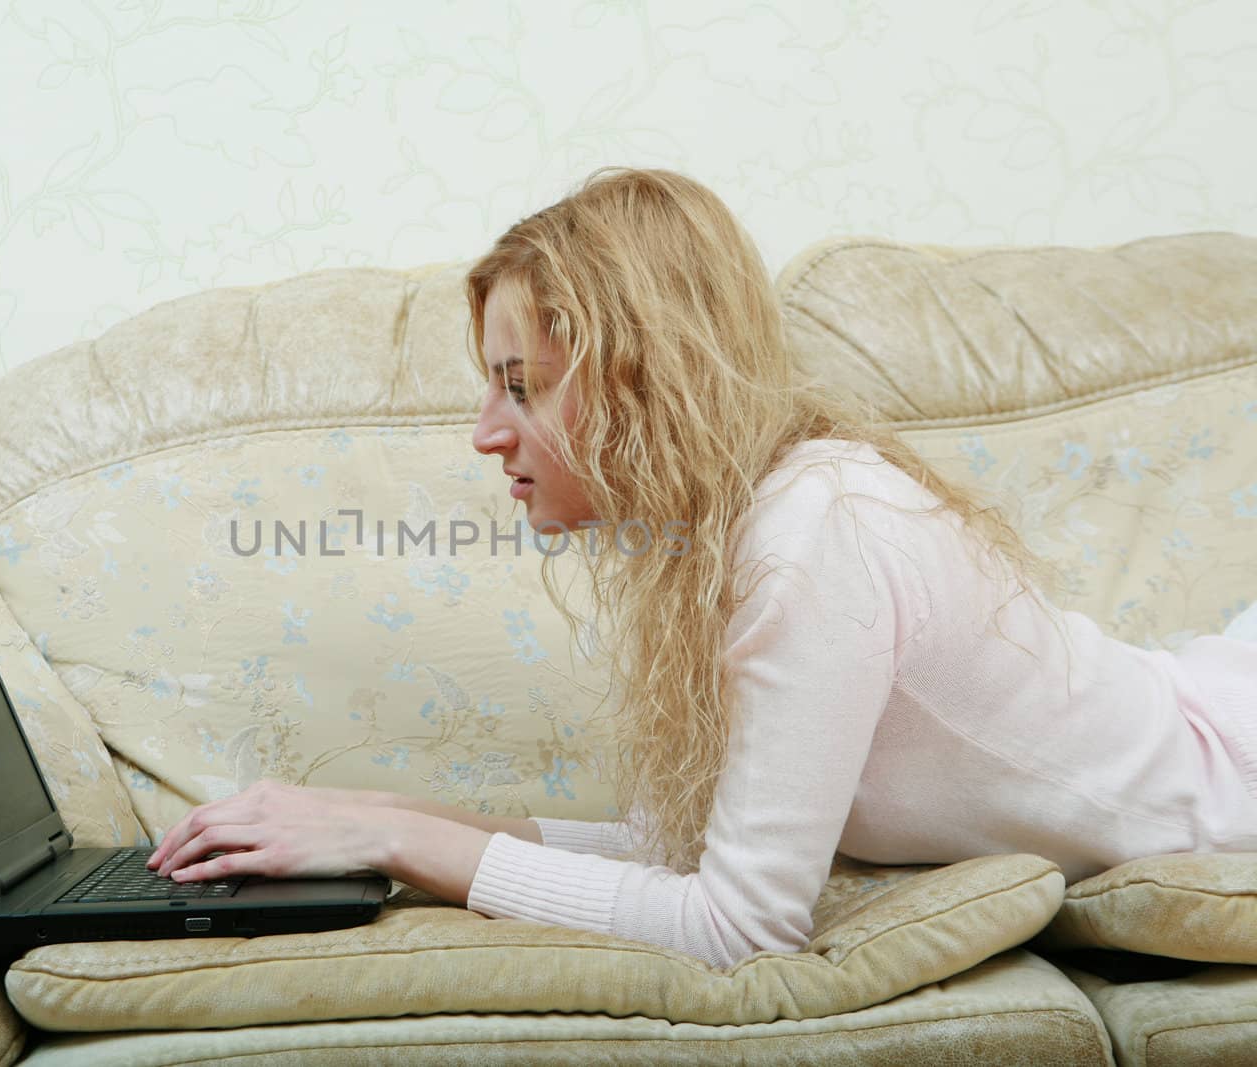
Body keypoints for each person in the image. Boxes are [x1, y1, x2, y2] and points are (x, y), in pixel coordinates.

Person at [148, 167, 1257, 970]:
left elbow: (741, 921)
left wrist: (395, 838)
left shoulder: (817, 532)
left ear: (638, 375)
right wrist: (380, 814)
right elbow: (688, 846)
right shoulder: (744, 526)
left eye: (519, 383)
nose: (487, 432)